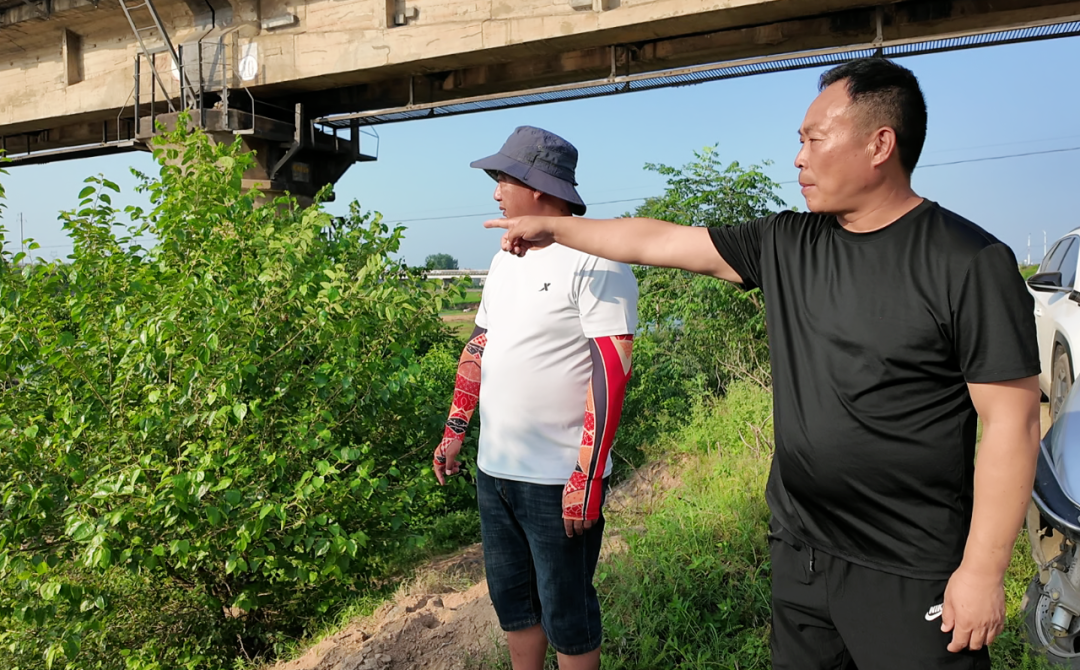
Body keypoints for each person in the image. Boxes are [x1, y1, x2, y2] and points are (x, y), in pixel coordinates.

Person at [486, 59, 1041, 669]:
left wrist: (983, 571)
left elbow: (1012, 423)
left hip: (909, 568)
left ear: (880, 144)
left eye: (814, 140)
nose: (799, 158)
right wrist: (552, 228)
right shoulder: (788, 243)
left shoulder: (968, 262)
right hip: (801, 553)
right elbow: (658, 240)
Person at [432, 126, 638, 670]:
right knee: (514, 604)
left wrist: (587, 476)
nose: (495, 192)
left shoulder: (598, 258)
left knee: (567, 613)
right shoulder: (507, 258)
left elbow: (611, 369)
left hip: (557, 479)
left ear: (539, 188)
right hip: (495, 472)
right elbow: (480, 344)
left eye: (504, 179)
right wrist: (455, 431)